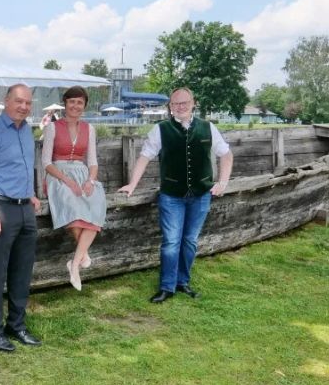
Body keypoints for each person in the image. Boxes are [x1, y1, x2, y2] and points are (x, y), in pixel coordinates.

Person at [118, 87, 233, 303]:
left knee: (189, 241)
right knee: (171, 242)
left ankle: (183, 282)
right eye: (174, 104)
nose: (179, 107)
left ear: (193, 103)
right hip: (171, 196)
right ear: (170, 106)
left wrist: (223, 182)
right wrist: (132, 184)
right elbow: (144, 157)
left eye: (183, 103)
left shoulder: (208, 128)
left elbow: (226, 155)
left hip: (201, 195)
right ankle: (167, 287)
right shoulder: (160, 129)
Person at [0, 84, 43, 352]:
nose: (24, 107)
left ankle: (17, 325)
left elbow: (23, 167)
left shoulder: (26, 131)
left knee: (22, 272)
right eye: (19, 101)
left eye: (28, 103)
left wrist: (31, 193)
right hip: (2, 209)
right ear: (6, 101)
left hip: (25, 209)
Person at [42, 86, 107, 291]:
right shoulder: (52, 127)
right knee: (71, 204)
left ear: (84, 106)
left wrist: (90, 180)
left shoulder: (90, 129)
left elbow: (93, 161)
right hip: (57, 174)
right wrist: (67, 181)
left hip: (82, 173)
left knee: (95, 204)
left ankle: (75, 262)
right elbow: (46, 163)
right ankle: (81, 259)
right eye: (72, 101)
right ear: (65, 103)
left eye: (80, 102)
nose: (75, 106)